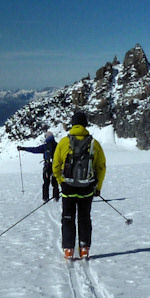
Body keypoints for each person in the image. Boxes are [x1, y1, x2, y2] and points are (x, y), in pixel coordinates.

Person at [52, 110, 106, 260]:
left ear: (73, 124)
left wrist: (60, 181)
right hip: (87, 188)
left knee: (68, 217)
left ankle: (68, 249)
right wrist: (98, 187)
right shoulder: (94, 144)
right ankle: (84, 248)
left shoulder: (64, 142)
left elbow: (56, 165)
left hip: (68, 188)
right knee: (84, 217)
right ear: (85, 125)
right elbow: (101, 167)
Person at [16, 130, 60, 202]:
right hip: (55, 166)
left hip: (47, 166)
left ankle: (45, 198)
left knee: (46, 182)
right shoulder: (58, 146)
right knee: (55, 182)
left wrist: (23, 148)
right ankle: (56, 197)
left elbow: (34, 149)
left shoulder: (45, 147)